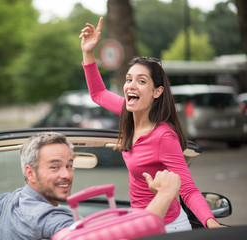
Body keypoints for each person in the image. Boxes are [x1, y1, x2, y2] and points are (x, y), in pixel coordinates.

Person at [79, 17, 224, 232]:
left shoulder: (163, 137)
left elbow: (188, 190)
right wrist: (88, 52)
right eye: (129, 79)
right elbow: (98, 93)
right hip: (140, 221)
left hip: (168, 227)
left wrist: (211, 223)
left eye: (141, 81)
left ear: (157, 92)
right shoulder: (127, 112)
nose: (131, 85)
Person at [0, 132, 183, 240]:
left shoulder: (11, 200)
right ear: (30, 173)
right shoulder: (49, 217)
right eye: (55, 167)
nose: (66, 174)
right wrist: (165, 194)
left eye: (69, 165)